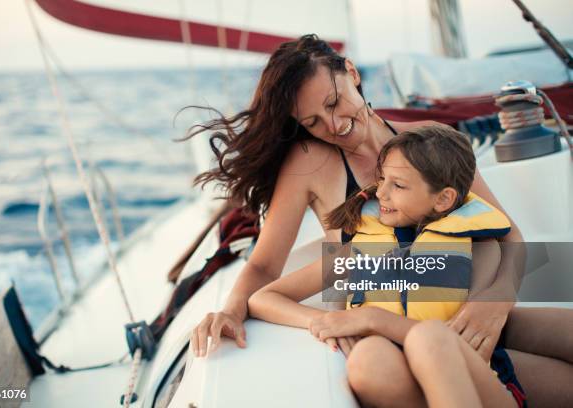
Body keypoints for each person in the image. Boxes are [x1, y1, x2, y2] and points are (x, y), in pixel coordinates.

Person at [188, 34, 573, 406]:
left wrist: (495, 300)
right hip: (390, 333)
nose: (333, 124)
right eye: (313, 121)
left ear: (352, 72)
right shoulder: (310, 164)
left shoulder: (432, 141)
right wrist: (231, 311)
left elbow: (509, 234)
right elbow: (264, 266)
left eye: (334, 102)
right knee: (376, 370)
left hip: (468, 314)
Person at [249, 126, 523, 407]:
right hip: (404, 376)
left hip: (482, 389)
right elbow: (262, 299)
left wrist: (373, 319)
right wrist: (325, 322)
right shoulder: (360, 253)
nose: (380, 193)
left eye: (399, 185)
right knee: (371, 356)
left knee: (428, 337)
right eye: (382, 180)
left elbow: (457, 345)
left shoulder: (480, 249)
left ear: (443, 199)